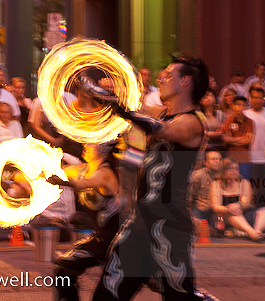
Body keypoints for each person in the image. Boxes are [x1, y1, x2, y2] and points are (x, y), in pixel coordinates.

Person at [89, 55, 208, 300]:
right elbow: (138, 111)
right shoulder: (161, 112)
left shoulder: (193, 123)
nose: (160, 77)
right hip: (139, 225)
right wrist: (100, 94)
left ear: (185, 81)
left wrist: (121, 109)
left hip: (170, 227)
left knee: (180, 297)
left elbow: (160, 128)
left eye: (167, 73)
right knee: (106, 295)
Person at [46, 143, 123, 300]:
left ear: (103, 149)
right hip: (100, 240)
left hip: (118, 241)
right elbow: (53, 172)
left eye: (92, 143)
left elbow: (83, 183)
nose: (86, 145)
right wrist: (11, 174)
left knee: (107, 293)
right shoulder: (81, 169)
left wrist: (64, 181)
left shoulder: (104, 173)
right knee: (64, 267)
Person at [210, 158, 265, 242]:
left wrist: (239, 205)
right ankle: (252, 233)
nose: (234, 171)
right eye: (230, 168)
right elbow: (215, 206)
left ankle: (256, 230)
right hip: (223, 216)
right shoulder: (216, 184)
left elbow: (246, 202)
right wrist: (228, 209)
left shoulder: (244, 182)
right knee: (234, 213)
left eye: (236, 168)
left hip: (243, 213)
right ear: (223, 170)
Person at [222, 96, 253, 180]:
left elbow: (248, 140)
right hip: (231, 159)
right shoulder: (228, 121)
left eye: (243, 105)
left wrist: (232, 139)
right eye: (238, 105)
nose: (240, 107)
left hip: (245, 159)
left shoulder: (250, 122)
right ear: (233, 106)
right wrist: (240, 139)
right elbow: (225, 139)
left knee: (245, 184)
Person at [187, 151, 222, 223]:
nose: (218, 161)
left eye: (219, 159)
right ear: (205, 162)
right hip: (202, 209)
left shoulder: (224, 175)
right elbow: (190, 194)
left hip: (218, 210)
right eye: (214, 159)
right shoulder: (198, 175)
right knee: (197, 224)